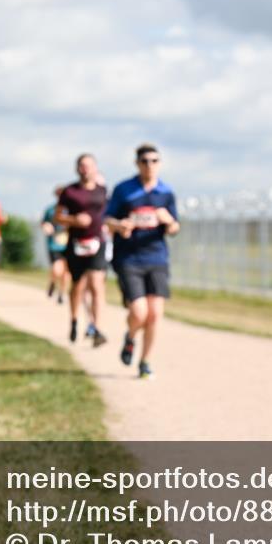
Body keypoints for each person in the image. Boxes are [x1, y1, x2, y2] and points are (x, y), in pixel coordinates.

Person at [105, 143, 179, 380]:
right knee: (139, 312)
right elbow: (107, 219)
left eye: (154, 161)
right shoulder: (124, 190)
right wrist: (120, 225)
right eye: (145, 161)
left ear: (160, 163)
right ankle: (130, 337)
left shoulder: (166, 192)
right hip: (129, 258)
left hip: (157, 257)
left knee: (155, 314)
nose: (150, 165)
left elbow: (175, 227)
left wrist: (169, 222)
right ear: (137, 164)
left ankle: (145, 362)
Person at [55, 154, 108, 346]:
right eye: (82, 166)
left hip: (97, 242)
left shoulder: (103, 191)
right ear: (77, 169)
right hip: (76, 244)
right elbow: (58, 216)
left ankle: (96, 327)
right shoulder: (69, 191)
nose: (85, 169)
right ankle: (74, 320)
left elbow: (109, 213)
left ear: (95, 168)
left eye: (89, 165)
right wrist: (73, 220)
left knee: (96, 284)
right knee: (77, 286)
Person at [42, 186, 70, 305]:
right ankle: (53, 282)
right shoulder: (50, 210)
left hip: (68, 244)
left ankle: (62, 293)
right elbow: (44, 223)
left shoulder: (71, 210)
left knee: (66, 272)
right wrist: (46, 227)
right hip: (54, 244)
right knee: (56, 269)